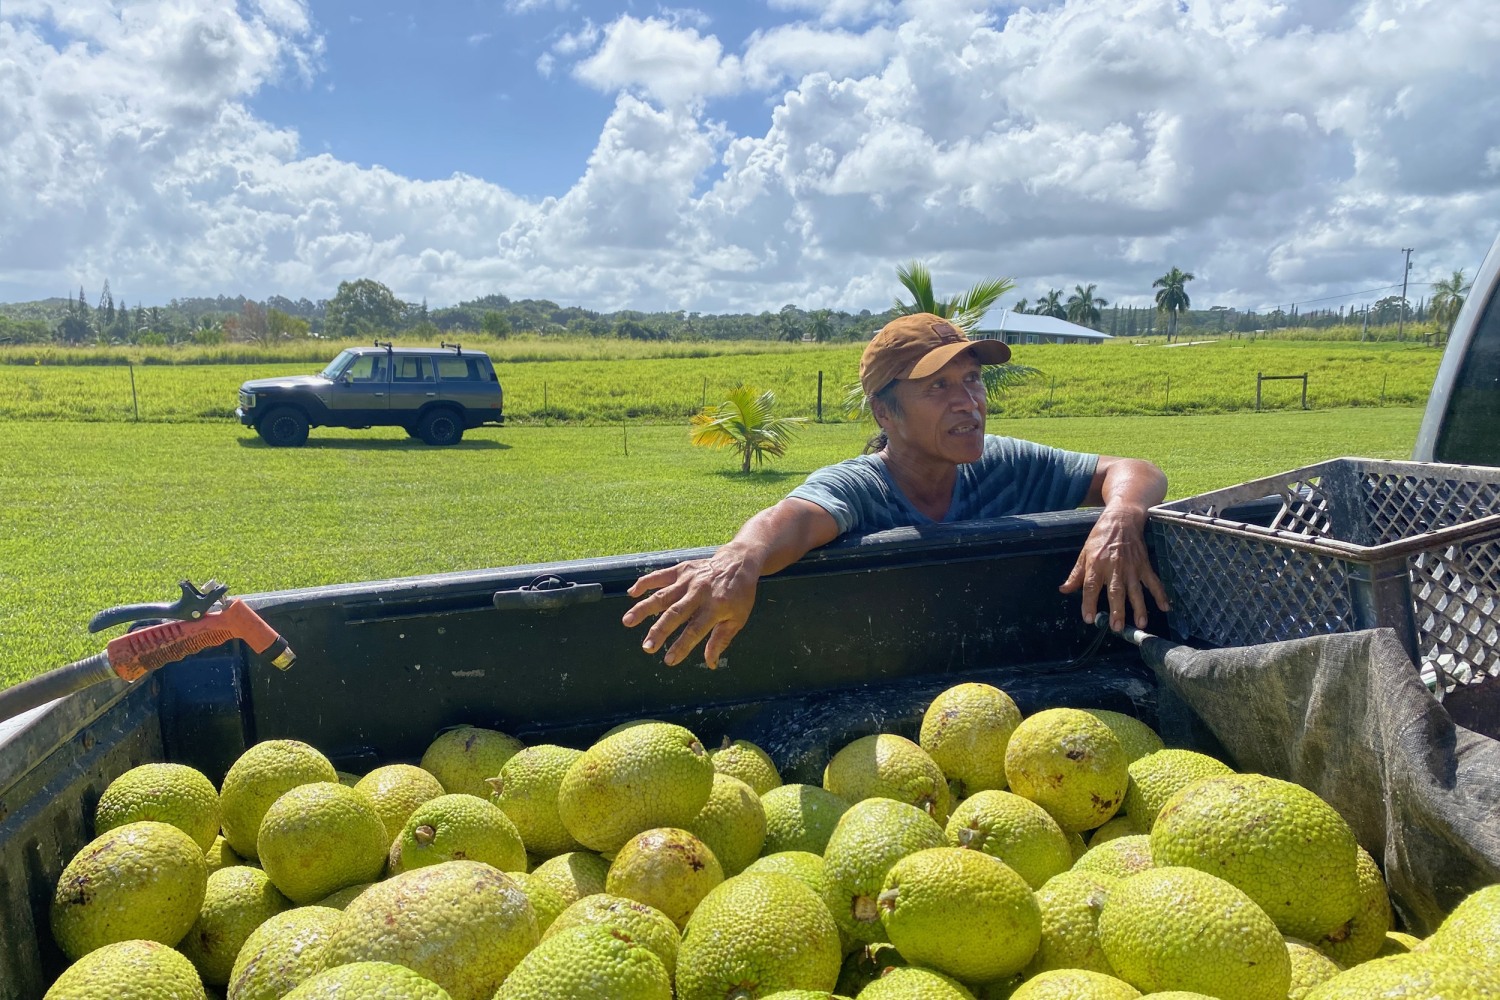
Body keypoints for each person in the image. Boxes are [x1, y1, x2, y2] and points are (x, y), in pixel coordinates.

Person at [622, 312, 1171, 668]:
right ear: (886, 412)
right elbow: (791, 518)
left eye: (972, 380)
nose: (969, 403)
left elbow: (1135, 470)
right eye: (938, 387)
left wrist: (1121, 516)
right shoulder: (863, 485)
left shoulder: (1005, 461)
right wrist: (739, 559)